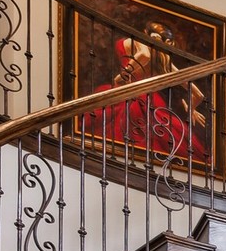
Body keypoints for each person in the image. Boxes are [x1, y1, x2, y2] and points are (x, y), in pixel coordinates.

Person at [81, 21, 211, 164]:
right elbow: (199, 95)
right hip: (150, 101)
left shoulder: (139, 43)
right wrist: (191, 109)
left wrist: (123, 75)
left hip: (130, 96)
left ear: (145, 33)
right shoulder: (164, 61)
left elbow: (145, 55)